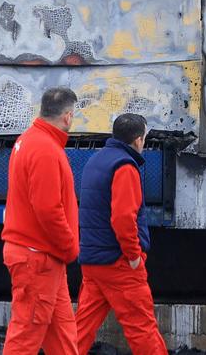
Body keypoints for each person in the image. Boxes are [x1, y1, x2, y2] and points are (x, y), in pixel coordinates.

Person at [74, 113, 168, 354]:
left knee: (80, 330)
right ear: (138, 140)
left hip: (93, 261)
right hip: (119, 263)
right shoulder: (125, 166)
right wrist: (134, 255)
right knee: (142, 329)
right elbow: (123, 218)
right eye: (145, 138)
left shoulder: (95, 161)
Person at [1, 87, 81, 355]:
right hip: (39, 259)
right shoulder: (46, 149)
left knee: (62, 335)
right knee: (26, 336)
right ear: (68, 116)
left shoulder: (28, 141)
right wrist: (70, 247)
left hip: (41, 258)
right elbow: (48, 209)